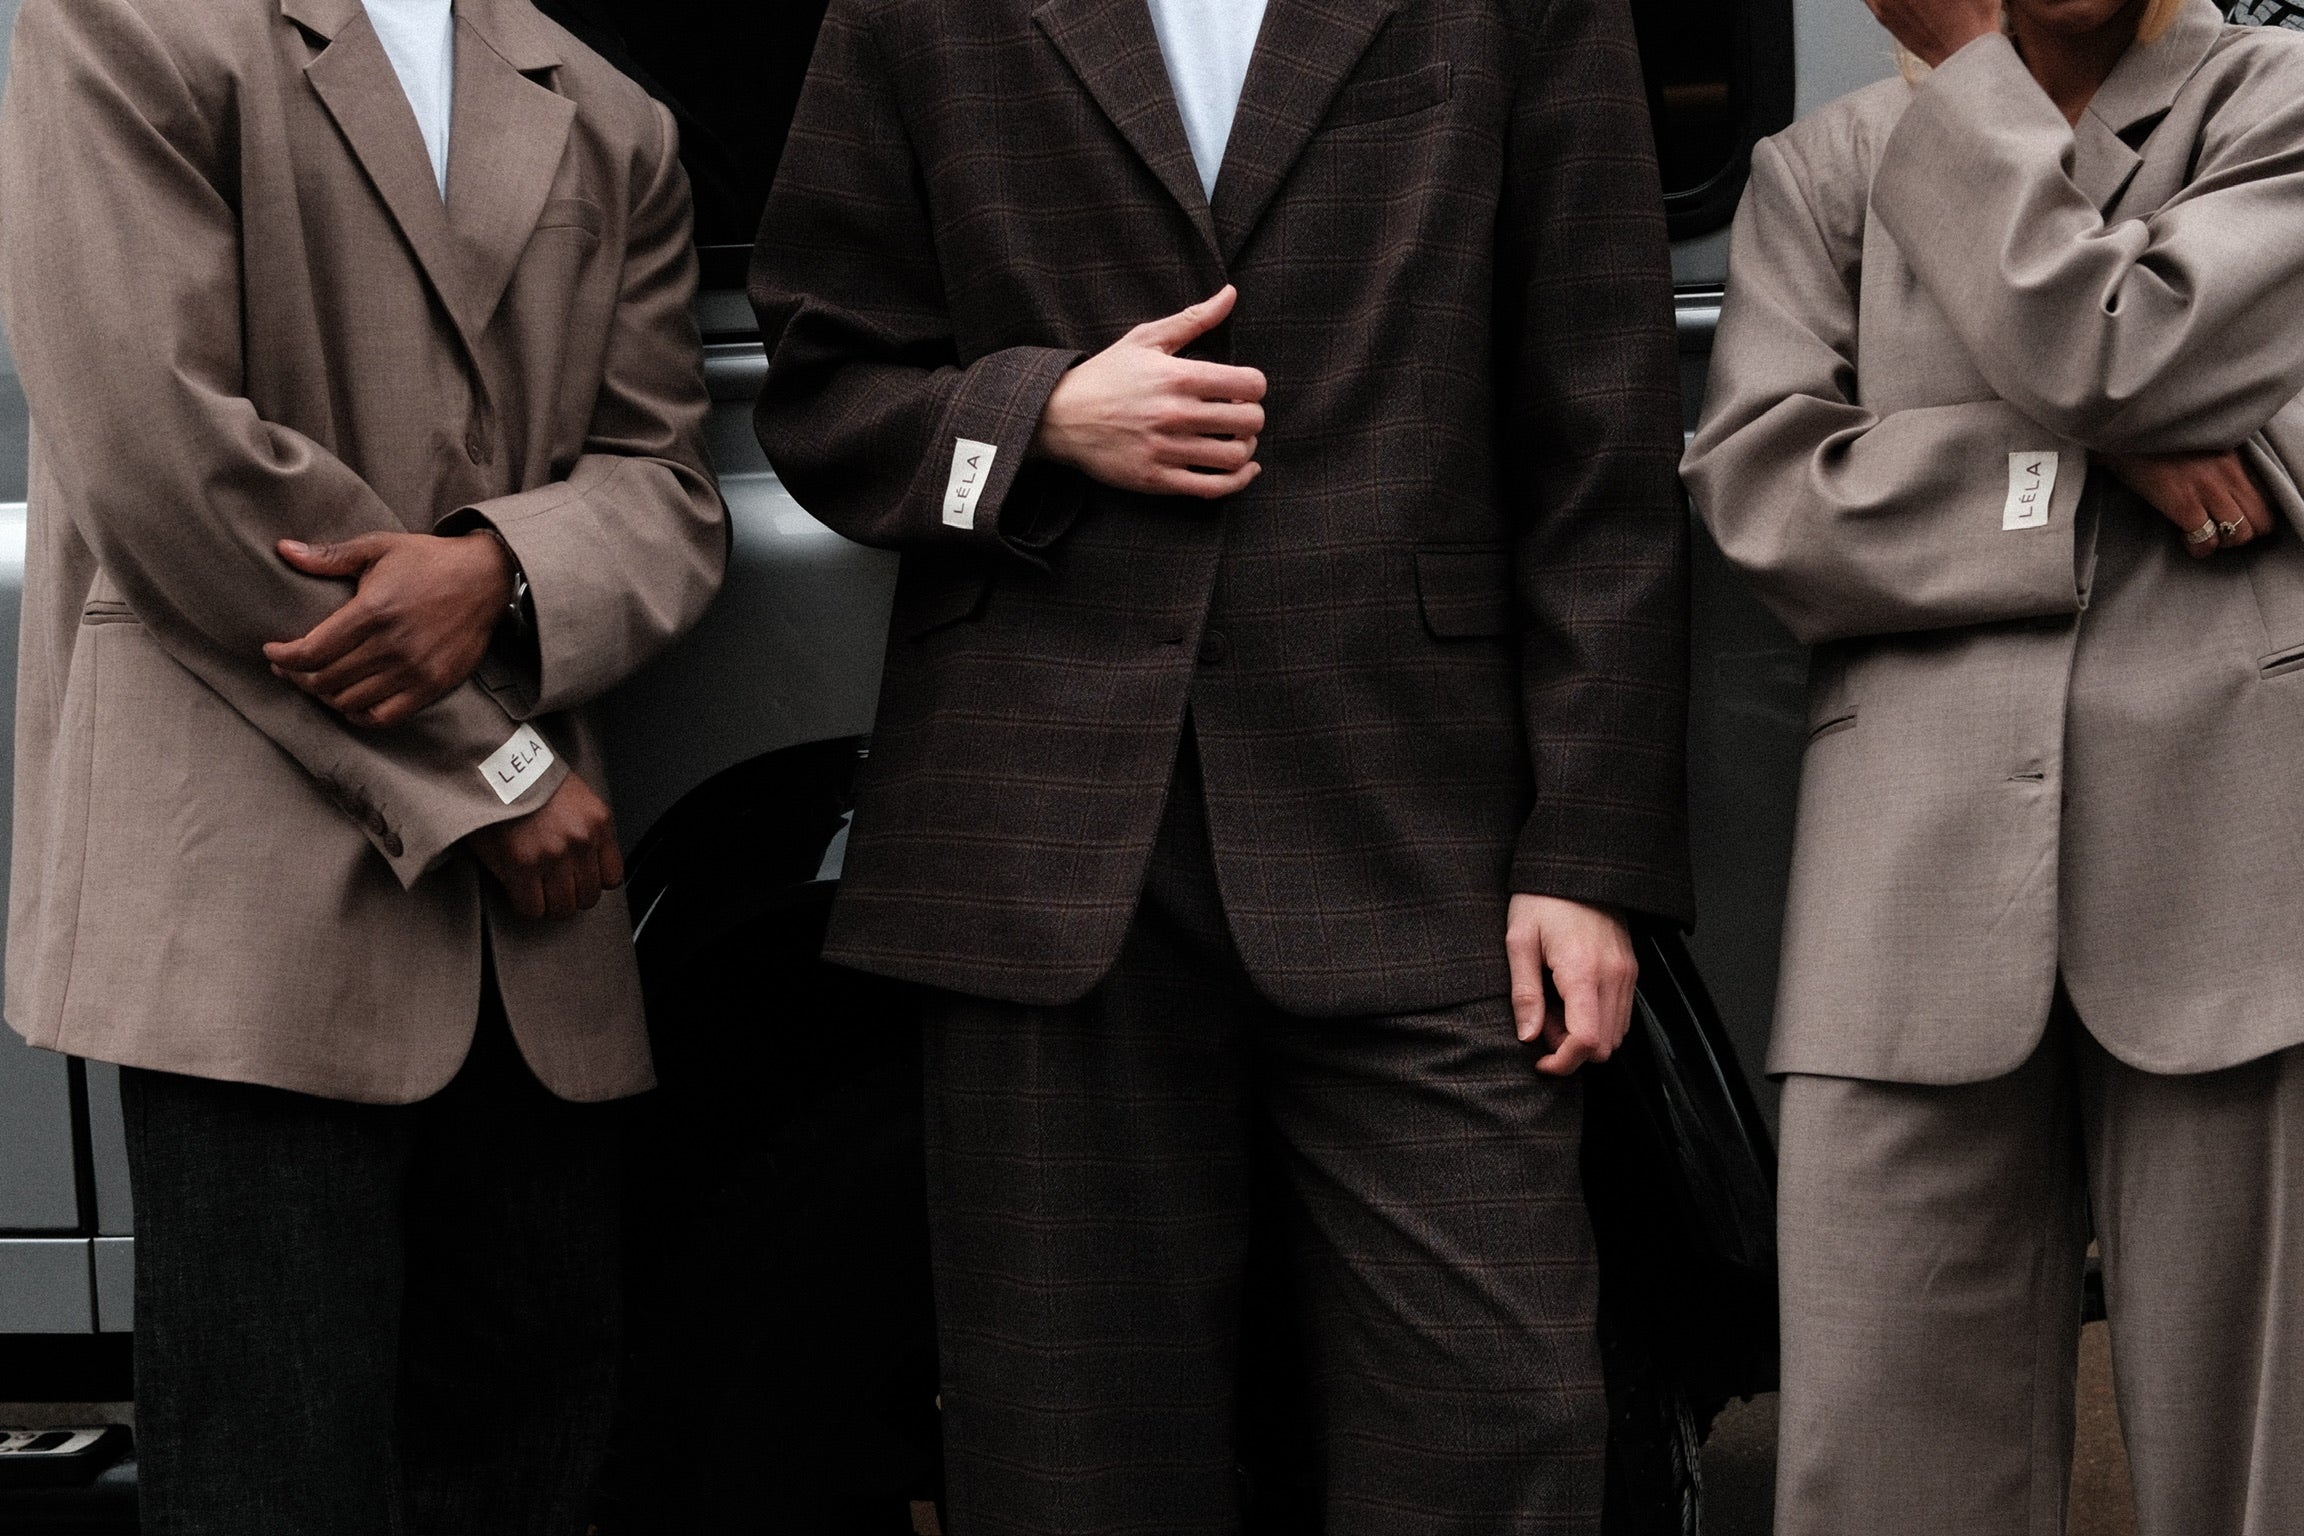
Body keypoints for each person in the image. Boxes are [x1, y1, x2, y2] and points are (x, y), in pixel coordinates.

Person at [751, 1, 1691, 1529]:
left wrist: (1587, 852)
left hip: (1421, 821)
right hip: (1037, 842)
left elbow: (1602, 424)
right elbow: (821, 383)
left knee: (1500, 1421)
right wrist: (1037, 413)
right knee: (1074, 1466)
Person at [0, 0, 725, 1529]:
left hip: (531, 960)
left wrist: (502, 565)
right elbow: (160, 461)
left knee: (534, 1465)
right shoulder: (123, 27)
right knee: (276, 1476)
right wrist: (499, 777)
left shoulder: (605, 107)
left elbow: (667, 482)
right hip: (254, 917)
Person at [1682, 1, 2304, 1531]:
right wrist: (2093, 455)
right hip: (1904, 879)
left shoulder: (2275, 103)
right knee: (1880, 1461)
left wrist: (1966, 81)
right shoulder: (1816, 169)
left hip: (2237, 863)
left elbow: (2141, 352)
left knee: (2267, 1463)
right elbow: (1766, 495)